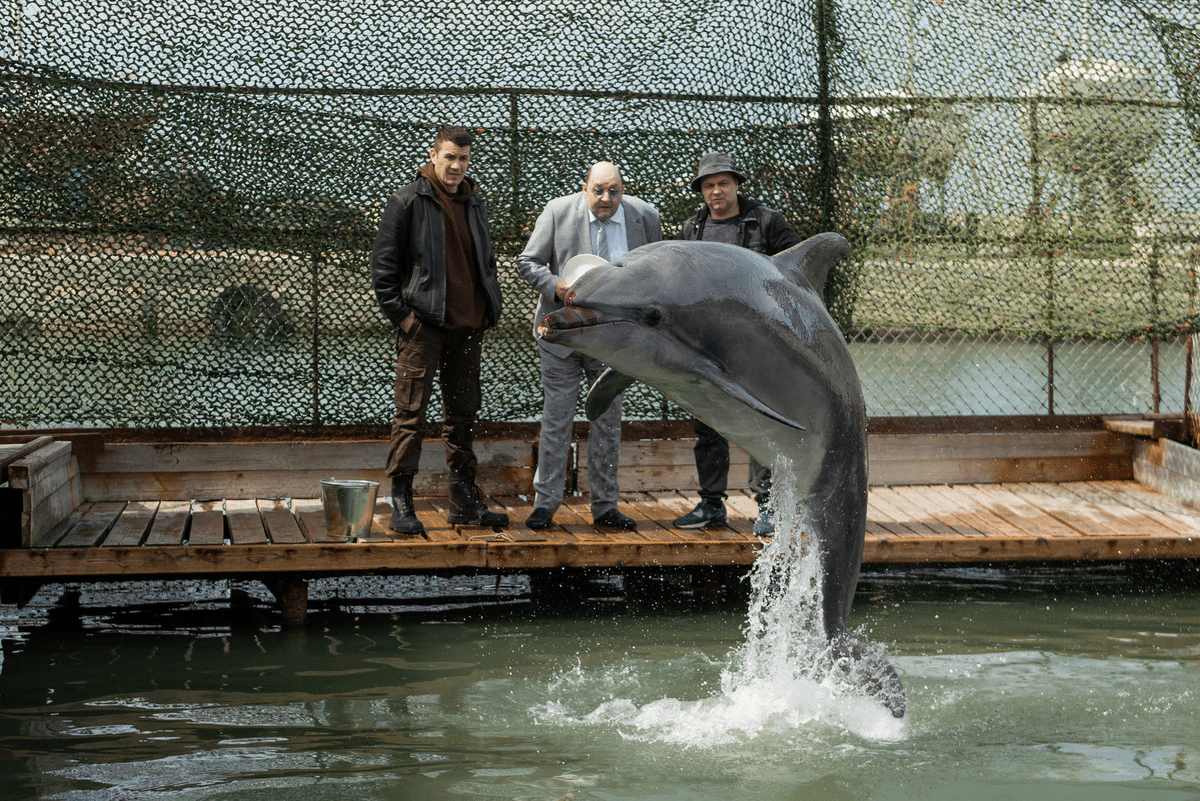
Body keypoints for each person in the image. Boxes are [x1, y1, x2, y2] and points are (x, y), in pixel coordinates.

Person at [371, 125, 509, 534]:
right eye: (449, 156)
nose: (456, 165)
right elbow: (383, 270)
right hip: (424, 327)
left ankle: (464, 501)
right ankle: (401, 503)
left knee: (463, 415)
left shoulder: (474, 202)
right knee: (411, 415)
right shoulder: (408, 200)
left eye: (463, 158)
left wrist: (488, 308)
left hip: (468, 328)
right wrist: (404, 316)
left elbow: (484, 263)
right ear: (434, 155)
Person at [517, 162, 662, 531]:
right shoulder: (557, 211)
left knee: (608, 422)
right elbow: (528, 262)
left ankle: (605, 506)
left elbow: (656, 271)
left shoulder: (645, 217)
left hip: (613, 341)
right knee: (556, 420)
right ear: (585, 190)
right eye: (598, 190)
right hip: (561, 338)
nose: (605, 198)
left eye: (614, 191)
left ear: (623, 191)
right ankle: (545, 504)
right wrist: (557, 287)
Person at [673, 151, 804, 536]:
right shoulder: (691, 229)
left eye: (723, 183)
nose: (717, 191)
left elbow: (796, 269)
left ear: (736, 185)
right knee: (708, 425)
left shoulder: (766, 221)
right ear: (702, 190)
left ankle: (768, 506)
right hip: (708, 345)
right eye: (709, 185)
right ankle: (711, 505)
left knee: (761, 421)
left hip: (759, 343)